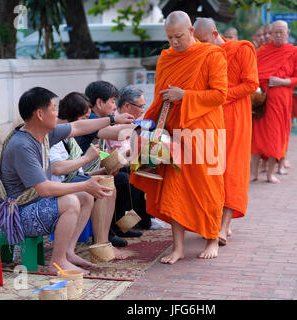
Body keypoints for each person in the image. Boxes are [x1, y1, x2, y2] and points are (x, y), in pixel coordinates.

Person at [0, 87, 133, 275]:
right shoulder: (23, 145)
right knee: (70, 201)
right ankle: (57, 262)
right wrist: (85, 183)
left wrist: (112, 119)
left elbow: (77, 127)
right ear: (40, 114)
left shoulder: (42, 133)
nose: (57, 113)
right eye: (53, 108)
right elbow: (44, 189)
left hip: (33, 204)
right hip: (18, 215)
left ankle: (68, 252)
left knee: (84, 196)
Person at [130, 11, 228, 264]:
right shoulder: (165, 58)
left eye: (180, 36)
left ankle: (212, 239)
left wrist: (185, 95)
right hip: (174, 134)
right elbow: (161, 97)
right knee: (174, 189)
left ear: (192, 32)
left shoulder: (212, 55)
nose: (174, 42)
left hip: (205, 131)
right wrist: (143, 125)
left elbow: (219, 95)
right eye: (170, 37)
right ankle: (178, 247)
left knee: (209, 187)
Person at [193, 17, 259, 246]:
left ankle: (224, 226)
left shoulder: (242, 49)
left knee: (232, 169)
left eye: (202, 40)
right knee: (211, 169)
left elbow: (251, 84)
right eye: (197, 41)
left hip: (235, 116)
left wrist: (221, 95)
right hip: (210, 117)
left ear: (214, 33)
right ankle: (212, 220)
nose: (200, 45)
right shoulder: (202, 53)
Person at [49, 92, 129, 259]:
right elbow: (57, 170)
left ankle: (103, 242)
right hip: (56, 186)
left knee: (109, 181)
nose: (114, 106)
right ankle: (100, 242)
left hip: (72, 178)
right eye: (113, 102)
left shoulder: (68, 136)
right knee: (105, 187)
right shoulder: (55, 135)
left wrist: (104, 170)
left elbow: (78, 173)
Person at [75, 81, 143, 243]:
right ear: (99, 102)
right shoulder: (93, 119)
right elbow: (118, 135)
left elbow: (105, 156)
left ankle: (124, 226)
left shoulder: (103, 119)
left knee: (133, 173)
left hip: (87, 168)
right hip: (78, 171)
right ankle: (108, 234)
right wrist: (142, 126)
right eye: (113, 102)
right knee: (122, 179)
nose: (114, 106)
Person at [250, 20, 297, 184]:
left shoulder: (295, 52)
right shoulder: (262, 51)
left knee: (276, 135)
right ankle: (254, 173)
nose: (279, 35)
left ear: (288, 33)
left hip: (281, 100)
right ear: (271, 34)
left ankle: (270, 173)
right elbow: (253, 73)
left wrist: (281, 82)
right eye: (276, 32)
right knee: (257, 135)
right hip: (262, 100)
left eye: (282, 32)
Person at [106, 85, 153, 230]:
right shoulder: (115, 123)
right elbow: (119, 154)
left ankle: (144, 219)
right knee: (134, 176)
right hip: (116, 166)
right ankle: (125, 225)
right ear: (127, 105)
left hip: (127, 162)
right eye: (141, 106)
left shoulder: (130, 123)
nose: (143, 110)